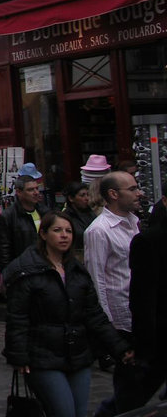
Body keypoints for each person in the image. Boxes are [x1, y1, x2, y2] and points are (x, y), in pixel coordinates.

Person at [4, 211, 131, 417]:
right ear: (43, 234)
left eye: (68, 231)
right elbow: (18, 317)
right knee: (63, 411)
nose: (64, 235)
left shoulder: (77, 271)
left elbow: (94, 315)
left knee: (80, 412)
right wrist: (19, 356)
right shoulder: (27, 271)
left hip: (77, 355)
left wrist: (119, 348)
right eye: (57, 230)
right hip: (43, 356)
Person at [84, 171, 142, 417]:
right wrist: (108, 329)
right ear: (114, 194)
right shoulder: (98, 231)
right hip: (121, 320)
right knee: (128, 383)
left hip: (140, 312)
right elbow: (96, 279)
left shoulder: (134, 222)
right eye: (133, 188)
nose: (139, 193)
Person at [127, 179, 167, 413]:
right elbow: (142, 298)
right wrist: (143, 346)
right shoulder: (149, 241)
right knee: (135, 397)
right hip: (160, 337)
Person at [0, 163, 48, 272]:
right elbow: (2, 251)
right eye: (31, 190)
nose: (36, 193)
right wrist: (11, 274)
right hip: (23, 272)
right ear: (19, 192)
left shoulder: (44, 212)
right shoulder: (8, 217)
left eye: (37, 189)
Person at [61, 182, 94, 263]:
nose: (86, 198)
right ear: (71, 198)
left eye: (87, 195)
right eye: (82, 195)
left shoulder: (91, 214)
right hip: (76, 258)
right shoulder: (65, 218)